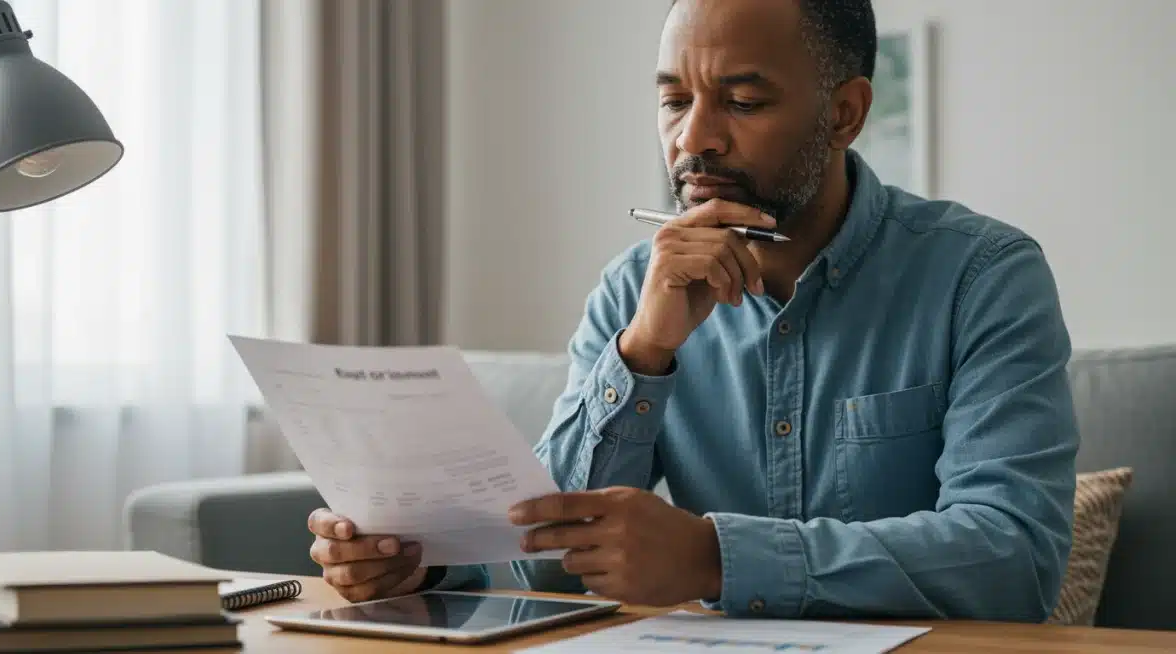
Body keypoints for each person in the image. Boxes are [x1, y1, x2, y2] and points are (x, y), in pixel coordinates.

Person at [305, 0, 1079, 621]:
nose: (693, 138)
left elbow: (1014, 558)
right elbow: (544, 558)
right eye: (674, 100)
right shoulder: (629, 290)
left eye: (741, 101)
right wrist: (644, 352)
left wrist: (716, 558)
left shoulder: (982, 276)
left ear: (844, 114)